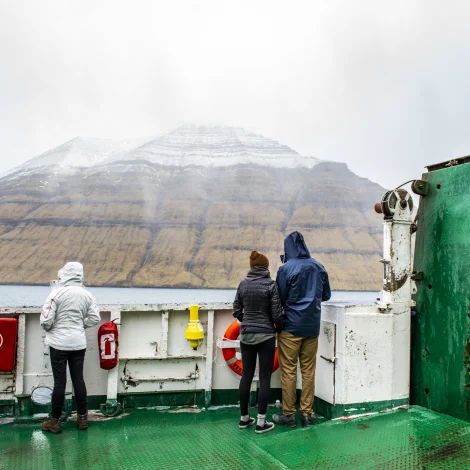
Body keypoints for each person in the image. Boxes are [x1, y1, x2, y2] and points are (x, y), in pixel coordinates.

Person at [272, 231, 331, 428]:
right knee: (308, 370)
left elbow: (278, 298)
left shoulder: (286, 269)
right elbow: (326, 295)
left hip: (290, 327)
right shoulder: (318, 266)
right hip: (312, 326)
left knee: (289, 370)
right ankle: (307, 414)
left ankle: (288, 415)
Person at [40, 262, 101, 434]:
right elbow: (95, 318)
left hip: (58, 344)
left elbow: (45, 321)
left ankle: (54, 420)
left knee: (60, 383)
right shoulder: (87, 295)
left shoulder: (56, 293)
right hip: (78, 343)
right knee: (78, 379)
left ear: (64, 275)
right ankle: (82, 418)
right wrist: (80, 325)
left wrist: (53, 329)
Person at [233, 250, 283, 434]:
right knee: (264, 377)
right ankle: (262, 422)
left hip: (246, 335)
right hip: (266, 336)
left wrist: (246, 322)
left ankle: (244, 418)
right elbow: (277, 314)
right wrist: (275, 327)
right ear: (265, 267)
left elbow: (236, 310)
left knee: (246, 375)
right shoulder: (271, 285)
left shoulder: (243, 284)